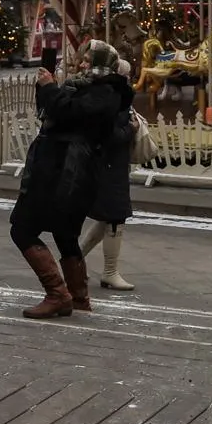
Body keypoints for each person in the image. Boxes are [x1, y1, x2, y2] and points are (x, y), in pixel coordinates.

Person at [11, 40, 128, 320]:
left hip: (67, 174)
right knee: (65, 235)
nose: (82, 64)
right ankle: (78, 298)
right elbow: (50, 113)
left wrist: (52, 88)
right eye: (83, 59)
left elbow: (69, 114)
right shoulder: (84, 87)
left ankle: (57, 294)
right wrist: (45, 88)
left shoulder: (106, 92)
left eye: (89, 60)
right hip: (60, 171)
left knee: (22, 229)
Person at [78, 58, 137, 292]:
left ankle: (74, 260)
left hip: (112, 166)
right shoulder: (112, 100)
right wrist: (130, 130)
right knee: (115, 217)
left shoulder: (109, 97)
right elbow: (108, 135)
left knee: (107, 218)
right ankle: (110, 272)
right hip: (110, 167)